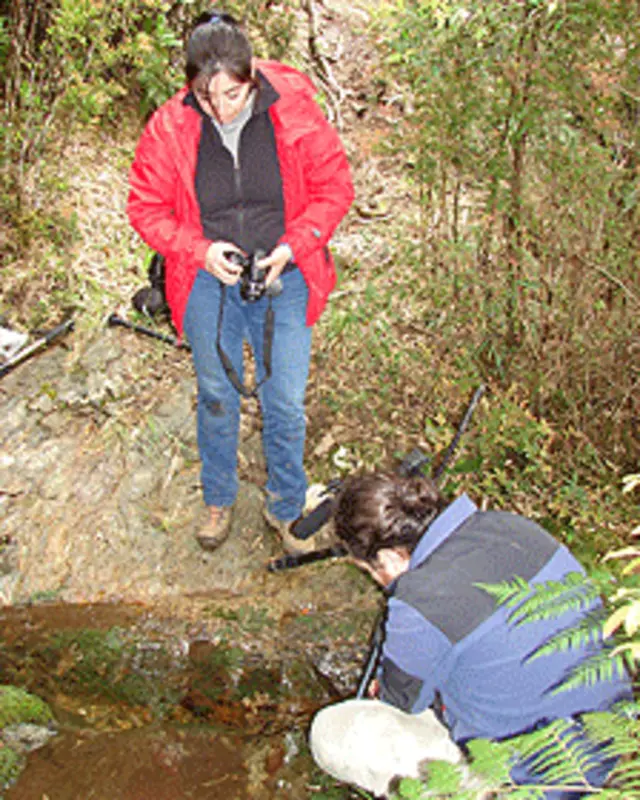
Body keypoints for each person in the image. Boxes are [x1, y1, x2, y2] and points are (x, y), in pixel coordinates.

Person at [127, 11, 354, 554]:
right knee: (216, 394)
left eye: (233, 94)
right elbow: (146, 207)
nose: (221, 109)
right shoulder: (171, 126)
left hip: (286, 271)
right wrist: (200, 251)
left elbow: (334, 188)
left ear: (252, 75)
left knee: (284, 400)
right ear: (191, 87)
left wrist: (292, 245)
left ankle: (284, 506)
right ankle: (219, 498)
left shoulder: (293, 107)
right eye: (207, 97)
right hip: (207, 278)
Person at [309, 472, 633, 799]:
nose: (380, 582)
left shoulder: (419, 603)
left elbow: (400, 701)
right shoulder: (510, 526)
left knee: (332, 734)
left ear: (392, 557)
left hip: (539, 783)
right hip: (616, 741)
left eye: (371, 571)